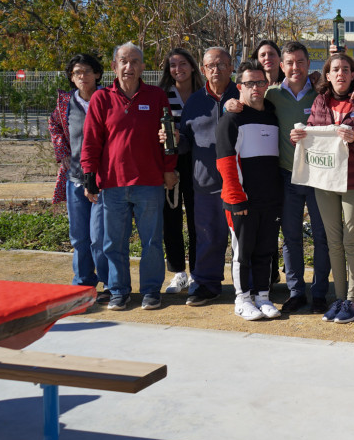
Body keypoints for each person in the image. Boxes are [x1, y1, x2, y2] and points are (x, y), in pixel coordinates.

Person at [81, 41, 177, 311]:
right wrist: (89, 175)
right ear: (114, 66)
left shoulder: (156, 96)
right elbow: (91, 141)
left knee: (152, 242)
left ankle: (150, 291)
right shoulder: (101, 98)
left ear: (143, 67)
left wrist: (169, 168)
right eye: (124, 61)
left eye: (135, 61)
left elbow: (167, 136)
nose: (129, 66)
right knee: (112, 243)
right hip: (112, 183)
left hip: (149, 182)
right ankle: (119, 291)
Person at [291, 53, 354, 324]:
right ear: (327, 76)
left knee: (352, 241)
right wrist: (300, 137)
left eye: (346, 69)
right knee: (333, 241)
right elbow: (316, 137)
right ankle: (340, 298)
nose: (340, 74)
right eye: (335, 70)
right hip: (325, 180)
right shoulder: (320, 101)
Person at [264, 41, 332, 314]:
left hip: (316, 176)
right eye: (289, 62)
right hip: (286, 176)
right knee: (290, 237)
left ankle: (319, 293)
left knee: (321, 236)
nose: (295, 67)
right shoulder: (271, 95)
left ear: (308, 64)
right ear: (281, 66)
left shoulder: (319, 94)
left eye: (300, 62)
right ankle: (296, 291)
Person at [215, 61, 284, 321]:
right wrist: (236, 199)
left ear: (267, 84)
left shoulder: (273, 115)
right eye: (249, 83)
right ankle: (242, 300)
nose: (255, 87)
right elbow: (225, 162)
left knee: (266, 250)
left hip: (271, 199)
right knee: (243, 253)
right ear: (239, 86)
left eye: (260, 82)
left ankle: (263, 297)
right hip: (242, 201)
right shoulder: (231, 119)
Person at [178, 47, 239, 307]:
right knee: (207, 237)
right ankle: (206, 285)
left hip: (241, 182)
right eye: (211, 66)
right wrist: (172, 141)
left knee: (245, 240)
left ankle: (250, 286)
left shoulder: (243, 94)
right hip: (205, 183)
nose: (216, 70)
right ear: (203, 70)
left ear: (230, 67)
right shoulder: (194, 102)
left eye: (222, 64)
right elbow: (184, 143)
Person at [49, 53, 109, 302]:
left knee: (100, 237)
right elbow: (54, 125)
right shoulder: (65, 103)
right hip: (75, 179)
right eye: (76, 73)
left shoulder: (108, 98)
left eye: (86, 71)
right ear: (71, 78)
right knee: (79, 237)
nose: (81, 76)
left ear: (97, 74)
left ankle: (110, 285)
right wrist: (61, 152)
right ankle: (82, 284)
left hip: (103, 180)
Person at [157, 47, 204, 294]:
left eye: (183, 63)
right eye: (173, 65)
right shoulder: (162, 94)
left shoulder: (204, 93)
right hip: (171, 164)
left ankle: (197, 272)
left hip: (199, 163)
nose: (178, 69)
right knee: (171, 219)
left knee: (198, 219)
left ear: (193, 66)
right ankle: (179, 273)